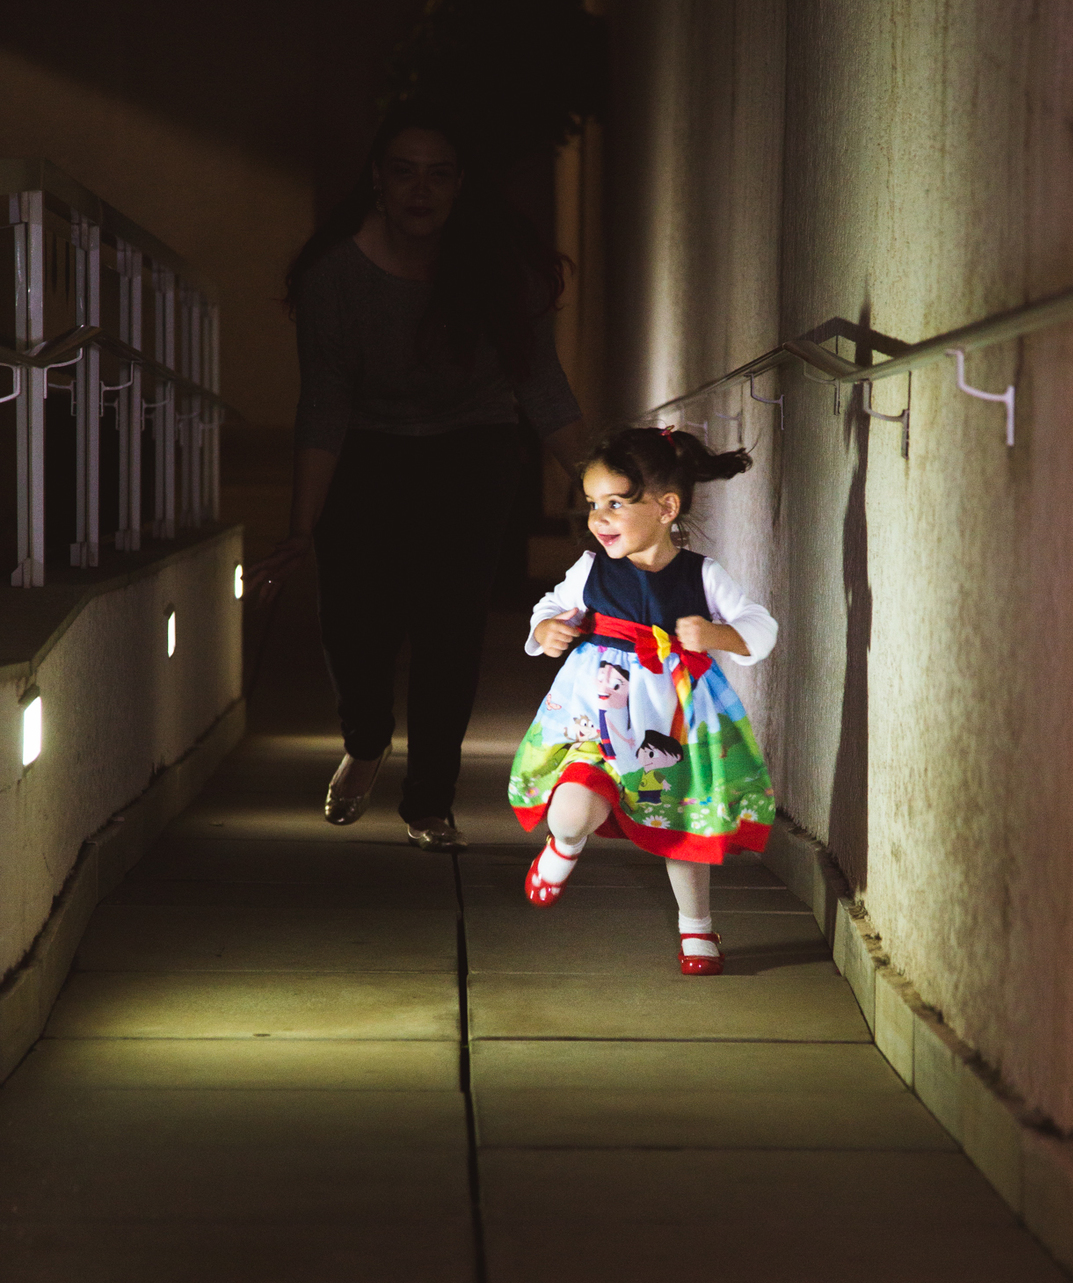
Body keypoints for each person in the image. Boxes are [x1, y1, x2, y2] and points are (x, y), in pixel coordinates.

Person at [247, 102, 585, 849]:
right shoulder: (337, 275)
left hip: (472, 452)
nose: (420, 190)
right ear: (377, 180)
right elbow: (324, 401)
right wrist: (302, 526)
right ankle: (366, 741)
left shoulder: (497, 268)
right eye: (404, 173)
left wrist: (594, 478)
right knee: (353, 623)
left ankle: (430, 801)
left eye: (438, 174)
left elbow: (539, 379)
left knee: (450, 629)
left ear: (460, 184)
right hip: (368, 454)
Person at [508, 426, 777, 974]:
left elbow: (760, 626)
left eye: (614, 504)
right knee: (570, 810)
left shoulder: (702, 575)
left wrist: (717, 635)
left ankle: (697, 927)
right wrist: (548, 628)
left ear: (665, 508)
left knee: (681, 826)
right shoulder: (591, 569)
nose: (597, 518)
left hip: (672, 727)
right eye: (592, 504)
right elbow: (550, 606)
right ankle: (565, 844)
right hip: (598, 722)